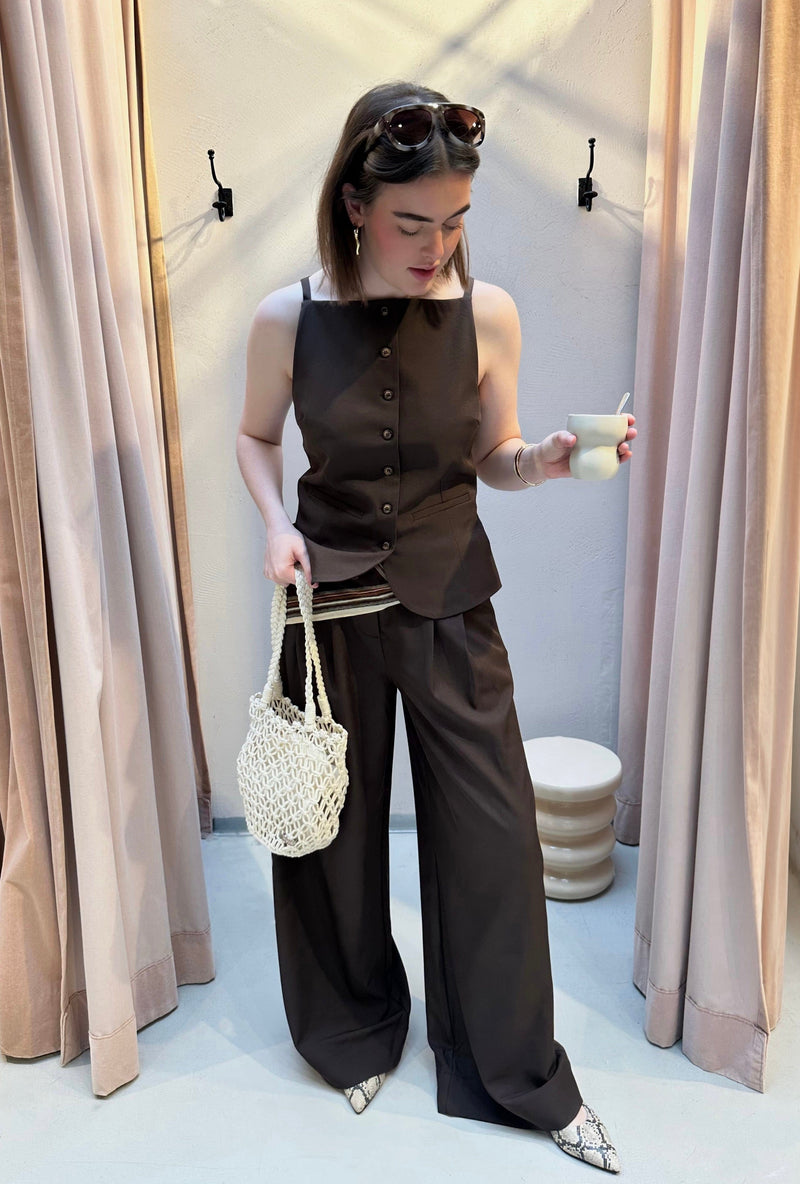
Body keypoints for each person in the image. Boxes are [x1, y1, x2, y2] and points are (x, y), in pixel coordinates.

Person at [236, 81, 636, 1174]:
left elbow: (494, 457)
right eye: (412, 223)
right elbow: (254, 438)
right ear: (356, 204)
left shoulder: (487, 313)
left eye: (455, 221)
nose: (436, 246)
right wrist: (275, 524)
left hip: (452, 601)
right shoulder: (286, 318)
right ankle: (351, 1033)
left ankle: (514, 1071)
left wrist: (542, 461)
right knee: (333, 839)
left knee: (494, 841)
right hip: (330, 611)